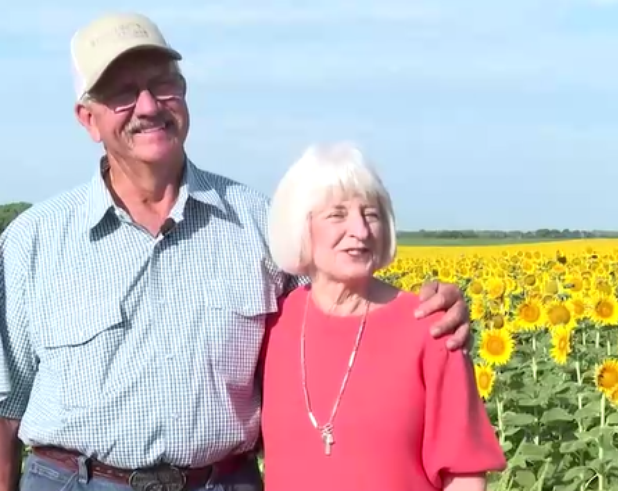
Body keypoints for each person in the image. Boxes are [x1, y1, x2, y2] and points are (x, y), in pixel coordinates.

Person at [0, 12, 472, 491]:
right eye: (122, 92)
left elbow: (343, 319)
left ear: (184, 96)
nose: (147, 106)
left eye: (163, 86)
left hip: (220, 482)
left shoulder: (258, 225)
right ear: (89, 119)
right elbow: (3, 413)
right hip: (75, 481)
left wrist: (429, 310)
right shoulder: (34, 241)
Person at [259, 142, 506, 491]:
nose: (360, 231)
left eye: (371, 214)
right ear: (301, 226)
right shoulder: (275, 323)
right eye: (338, 214)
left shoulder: (430, 325)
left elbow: (463, 473)